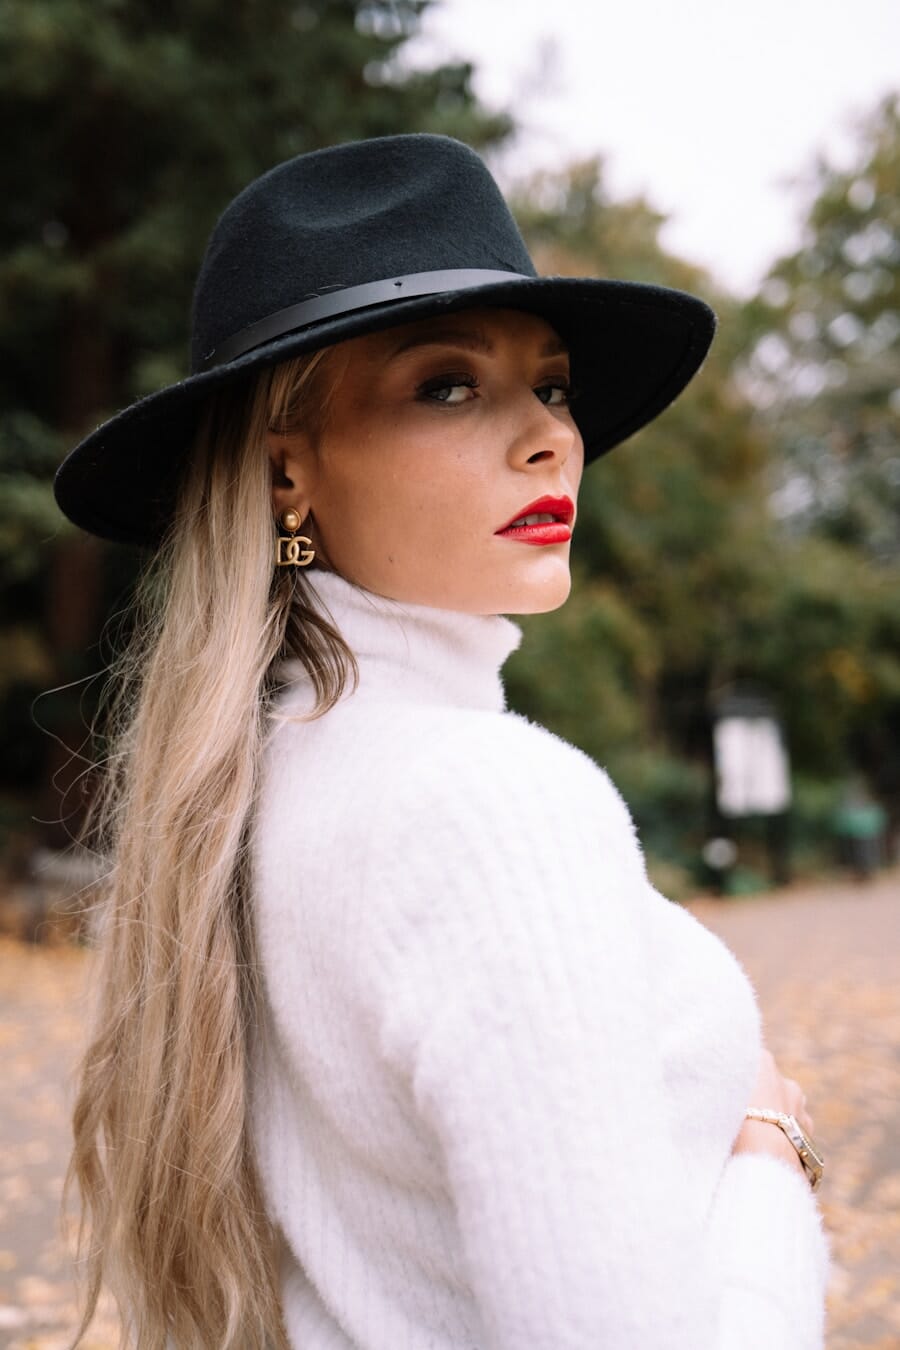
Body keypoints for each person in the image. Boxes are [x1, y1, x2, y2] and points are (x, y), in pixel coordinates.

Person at [55, 134, 828, 1350]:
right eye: (448, 385)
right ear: (288, 474)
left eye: (553, 384)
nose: (549, 438)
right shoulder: (485, 805)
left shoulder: (259, 786)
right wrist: (770, 1151)